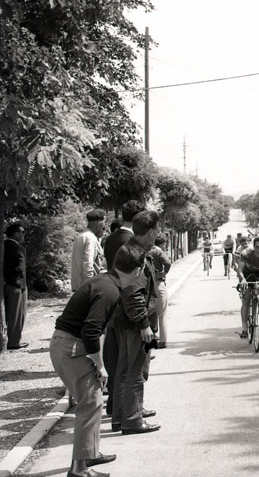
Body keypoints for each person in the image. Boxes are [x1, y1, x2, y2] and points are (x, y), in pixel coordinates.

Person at [49, 248, 146, 477]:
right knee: (90, 403)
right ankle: (79, 469)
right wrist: (101, 367)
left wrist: (99, 362)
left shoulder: (106, 282)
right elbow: (91, 330)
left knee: (94, 401)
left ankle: (89, 453)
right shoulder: (109, 291)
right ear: (138, 270)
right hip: (71, 348)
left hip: (69, 345)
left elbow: (96, 330)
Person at [110, 210, 161, 435]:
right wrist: (144, 324)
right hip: (134, 323)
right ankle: (132, 420)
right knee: (135, 371)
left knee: (124, 370)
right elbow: (133, 293)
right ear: (150, 232)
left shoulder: (132, 250)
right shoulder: (135, 255)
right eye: (157, 230)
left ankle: (122, 416)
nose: (158, 233)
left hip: (126, 320)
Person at [102, 200, 145, 416]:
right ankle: (129, 409)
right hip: (127, 303)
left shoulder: (110, 238)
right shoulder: (132, 242)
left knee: (116, 360)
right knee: (129, 364)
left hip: (113, 303)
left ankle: (116, 407)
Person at [3, 222, 29, 350]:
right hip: (16, 285)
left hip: (11, 283)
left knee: (13, 314)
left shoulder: (5, 246)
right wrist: (16, 282)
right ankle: (13, 342)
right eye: (22, 232)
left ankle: (12, 340)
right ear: (15, 233)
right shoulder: (16, 248)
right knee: (16, 315)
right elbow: (18, 268)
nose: (23, 234)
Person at [70, 209, 107, 292]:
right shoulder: (90, 238)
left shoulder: (82, 236)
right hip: (87, 286)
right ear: (98, 222)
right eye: (103, 222)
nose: (104, 225)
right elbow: (88, 264)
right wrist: (90, 286)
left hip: (79, 284)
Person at [149, 233, 171, 348]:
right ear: (162, 243)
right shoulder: (158, 252)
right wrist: (164, 273)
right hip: (158, 283)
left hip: (148, 285)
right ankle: (162, 341)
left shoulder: (147, 250)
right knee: (162, 314)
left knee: (150, 313)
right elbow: (167, 262)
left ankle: (152, 339)